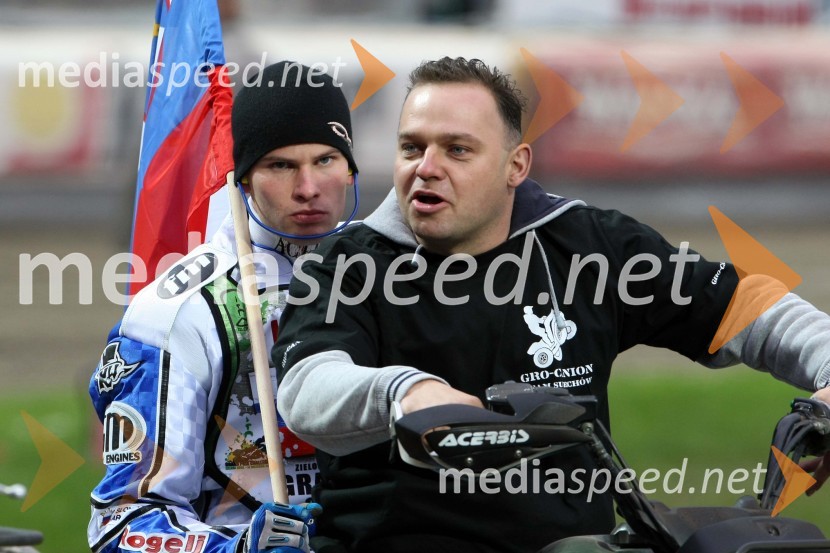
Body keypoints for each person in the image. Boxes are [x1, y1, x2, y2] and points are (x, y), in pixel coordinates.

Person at [272, 57, 830, 553]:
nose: (426, 167)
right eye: (412, 147)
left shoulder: (588, 244)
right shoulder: (347, 263)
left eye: (457, 149)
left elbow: (748, 307)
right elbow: (306, 389)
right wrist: (406, 392)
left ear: (515, 166)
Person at [88, 61, 359, 553]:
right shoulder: (175, 315)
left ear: (351, 168)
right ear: (244, 178)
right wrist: (235, 550)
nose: (308, 187)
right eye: (280, 165)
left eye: (326, 160)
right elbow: (121, 524)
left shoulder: (392, 277)